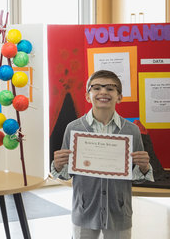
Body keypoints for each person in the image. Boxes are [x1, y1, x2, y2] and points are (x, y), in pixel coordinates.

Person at [52, 70, 153, 239]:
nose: (103, 92)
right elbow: (65, 174)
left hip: (119, 212)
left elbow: (137, 177)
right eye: (96, 88)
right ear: (87, 95)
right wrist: (58, 165)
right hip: (84, 210)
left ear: (119, 97)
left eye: (110, 88)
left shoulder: (131, 131)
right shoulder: (73, 128)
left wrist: (144, 167)